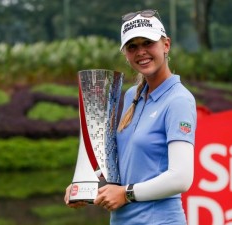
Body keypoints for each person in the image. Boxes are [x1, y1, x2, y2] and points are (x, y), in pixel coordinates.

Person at [64, 9, 197, 225]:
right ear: (125, 53)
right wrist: (85, 187)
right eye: (132, 46)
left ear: (166, 45)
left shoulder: (179, 100)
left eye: (148, 43)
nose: (141, 51)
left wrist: (126, 194)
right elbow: (125, 169)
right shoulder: (131, 95)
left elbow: (181, 178)